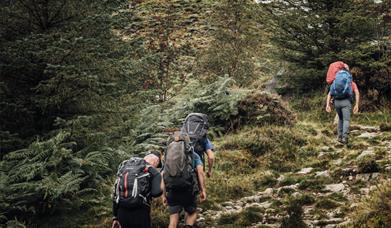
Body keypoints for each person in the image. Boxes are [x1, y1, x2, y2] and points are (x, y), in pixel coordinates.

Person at [112, 152, 162, 228]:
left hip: (122, 212)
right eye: (157, 165)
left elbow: (116, 193)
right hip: (140, 212)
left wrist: (115, 217)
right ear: (156, 161)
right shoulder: (152, 171)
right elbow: (156, 193)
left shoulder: (124, 167)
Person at [162, 152, 207, 228]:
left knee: (173, 220)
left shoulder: (168, 155)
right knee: (192, 213)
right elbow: (200, 172)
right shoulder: (193, 155)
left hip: (172, 190)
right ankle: (188, 226)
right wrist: (203, 190)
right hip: (189, 191)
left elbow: (162, 175)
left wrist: (163, 195)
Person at [326, 65, 360, 144]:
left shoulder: (336, 81)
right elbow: (357, 93)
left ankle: (339, 137)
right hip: (346, 102)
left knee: (340, 119)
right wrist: (357, 104)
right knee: (346, 120)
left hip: (336, 102)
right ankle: (345, 138)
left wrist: (327, 105)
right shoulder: (351, 82)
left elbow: (329, 94)